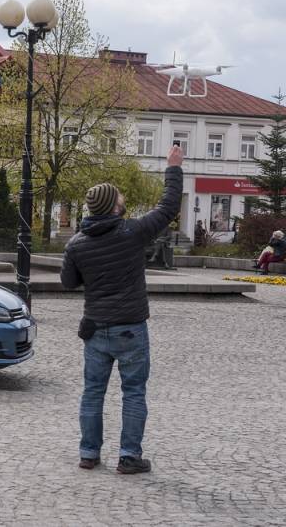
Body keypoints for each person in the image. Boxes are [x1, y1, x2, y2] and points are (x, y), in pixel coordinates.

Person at [60, 145, 184, 475]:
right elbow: (168, 207)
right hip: (130, 327)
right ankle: (129, 457)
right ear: (114, 206)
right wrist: (173, 168)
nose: (123, 199)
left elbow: (68, 282)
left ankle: (88, 454)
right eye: (119, 197)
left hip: (95, 328)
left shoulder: (76, 243)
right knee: (133, 392)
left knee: (92, 392)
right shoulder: (132, 232)